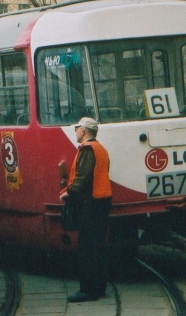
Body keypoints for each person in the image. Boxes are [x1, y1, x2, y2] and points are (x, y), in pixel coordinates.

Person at [59, 116, 112, 303]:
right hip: (103, 200)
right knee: (98, 246)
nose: (76, 131)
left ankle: (87, 290)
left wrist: (67, 192)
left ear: (84, 131)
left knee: (86, 248)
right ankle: (99, 287)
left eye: (77, 128)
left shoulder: (87, 149)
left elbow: (82, 177)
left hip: (91, 202)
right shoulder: (101, 149)